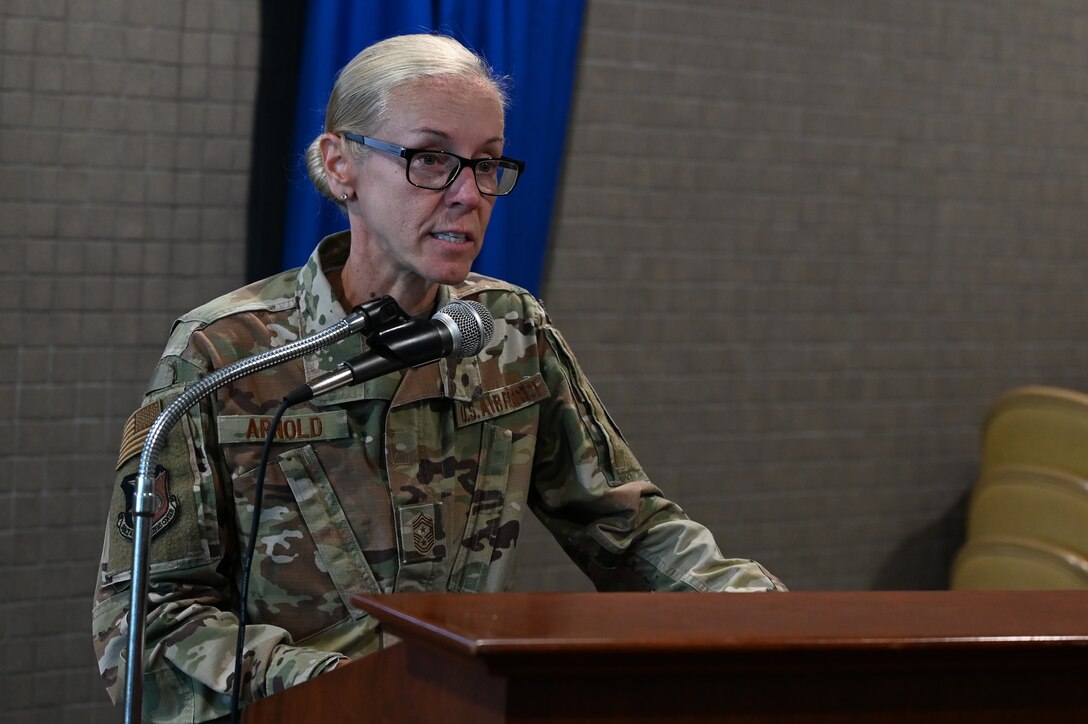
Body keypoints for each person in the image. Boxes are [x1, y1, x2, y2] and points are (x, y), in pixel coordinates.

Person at [92, 33, 785, 723]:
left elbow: (630, 533)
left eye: (486, 165)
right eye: (431, 160)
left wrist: (779, 622)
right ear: (342, 165)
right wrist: (351, 687)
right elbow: (148, 623)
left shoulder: (510, 331)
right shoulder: (226, 352)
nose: (468, 195)